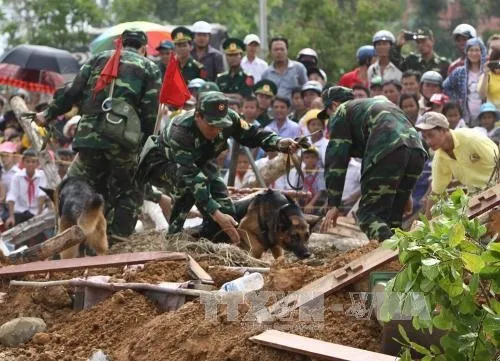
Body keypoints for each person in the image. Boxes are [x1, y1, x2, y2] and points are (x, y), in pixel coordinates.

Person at [35, 28, 162, 239]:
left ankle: (71, 239)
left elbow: (72, 92)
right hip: (124, 142)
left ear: (120, 43)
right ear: (143, 48)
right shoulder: (149, 67)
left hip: (88, 139)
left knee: (84, 187)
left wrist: (48, 114)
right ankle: (114, 243)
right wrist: (145, 146)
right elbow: (150, 112)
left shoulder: (98, 59)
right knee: (128, 191)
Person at [137, 91, 299, 243]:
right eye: (212, 125)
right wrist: (216, 214)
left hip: (201, 162)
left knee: (227, 212)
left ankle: (203, 240)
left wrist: (278, 142)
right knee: (189, 190)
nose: (217, 130)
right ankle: (174, 237)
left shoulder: (230, 119)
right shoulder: (180, 131)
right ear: (198, 116)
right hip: (163, 164)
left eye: (221, 125)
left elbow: (253, 134)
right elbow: (191, 177)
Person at [319, 86, 426, 241]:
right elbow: (401, 140)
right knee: (392, 218)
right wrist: (405, 192)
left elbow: (336, 161)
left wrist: (334, 204)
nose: (329, 119)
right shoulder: (375, 105)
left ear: (334, 105)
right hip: (417, 150)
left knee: (368, 215)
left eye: (328, 113)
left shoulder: (341, 111)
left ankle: (396, 255)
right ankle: (403, 259)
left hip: (388, 150)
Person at [416, 112, 497, 218]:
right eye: (425, 137)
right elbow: (436, 191)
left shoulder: (471, 139)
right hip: (476, 197)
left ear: (444, 129)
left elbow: (497, 159)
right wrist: (426, 220)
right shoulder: (439, 157)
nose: (428, 141)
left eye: (431, 135)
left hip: (496, 187)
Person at [444, 38, 487, 126]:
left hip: (486, 118)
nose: (474, 53)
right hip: (465, 119)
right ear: (466, 52)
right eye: (471, 50)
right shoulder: (459, 72)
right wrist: (457, 100)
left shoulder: (487, 71)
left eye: (477, 50)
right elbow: (446, 86)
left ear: (482, 52)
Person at [5, 149, 47, 229]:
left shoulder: (42, 176)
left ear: (37, 163)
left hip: (36, 212)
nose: (30, 164)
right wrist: (11, 217)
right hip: (20, 211)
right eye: (28, 161)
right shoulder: (17, 176)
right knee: (10, 225)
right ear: (23, 162)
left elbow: (41, 195)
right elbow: (12, 196)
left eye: (33, 162)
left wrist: (39, 215)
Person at [261, 36, 308, 100]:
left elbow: (306, 89)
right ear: (270, 52)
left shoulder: (299, 68)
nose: (279, 52)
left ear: (287, 50)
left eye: (282, 49)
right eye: (276, 49)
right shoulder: (266, 74)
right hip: (273, 109)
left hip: (294, 109)